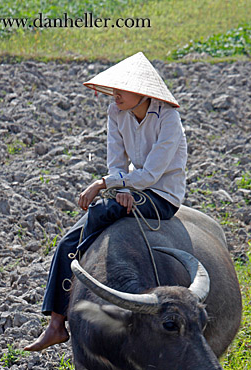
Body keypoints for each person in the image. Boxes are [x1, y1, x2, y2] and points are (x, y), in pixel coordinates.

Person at [24, 51, 187, 352]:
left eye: (121, 90)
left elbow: (151, 174)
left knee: (100, 212)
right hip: (131, 189)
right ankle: (56, 323)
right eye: (113, 90)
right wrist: (118, 186)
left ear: (142, 93)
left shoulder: (168, 120)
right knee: (64, 242)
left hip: (162, 196)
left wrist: (106, 185)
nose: (114, 96)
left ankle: (81, 276)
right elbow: (116, 161)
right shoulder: (117, 113)